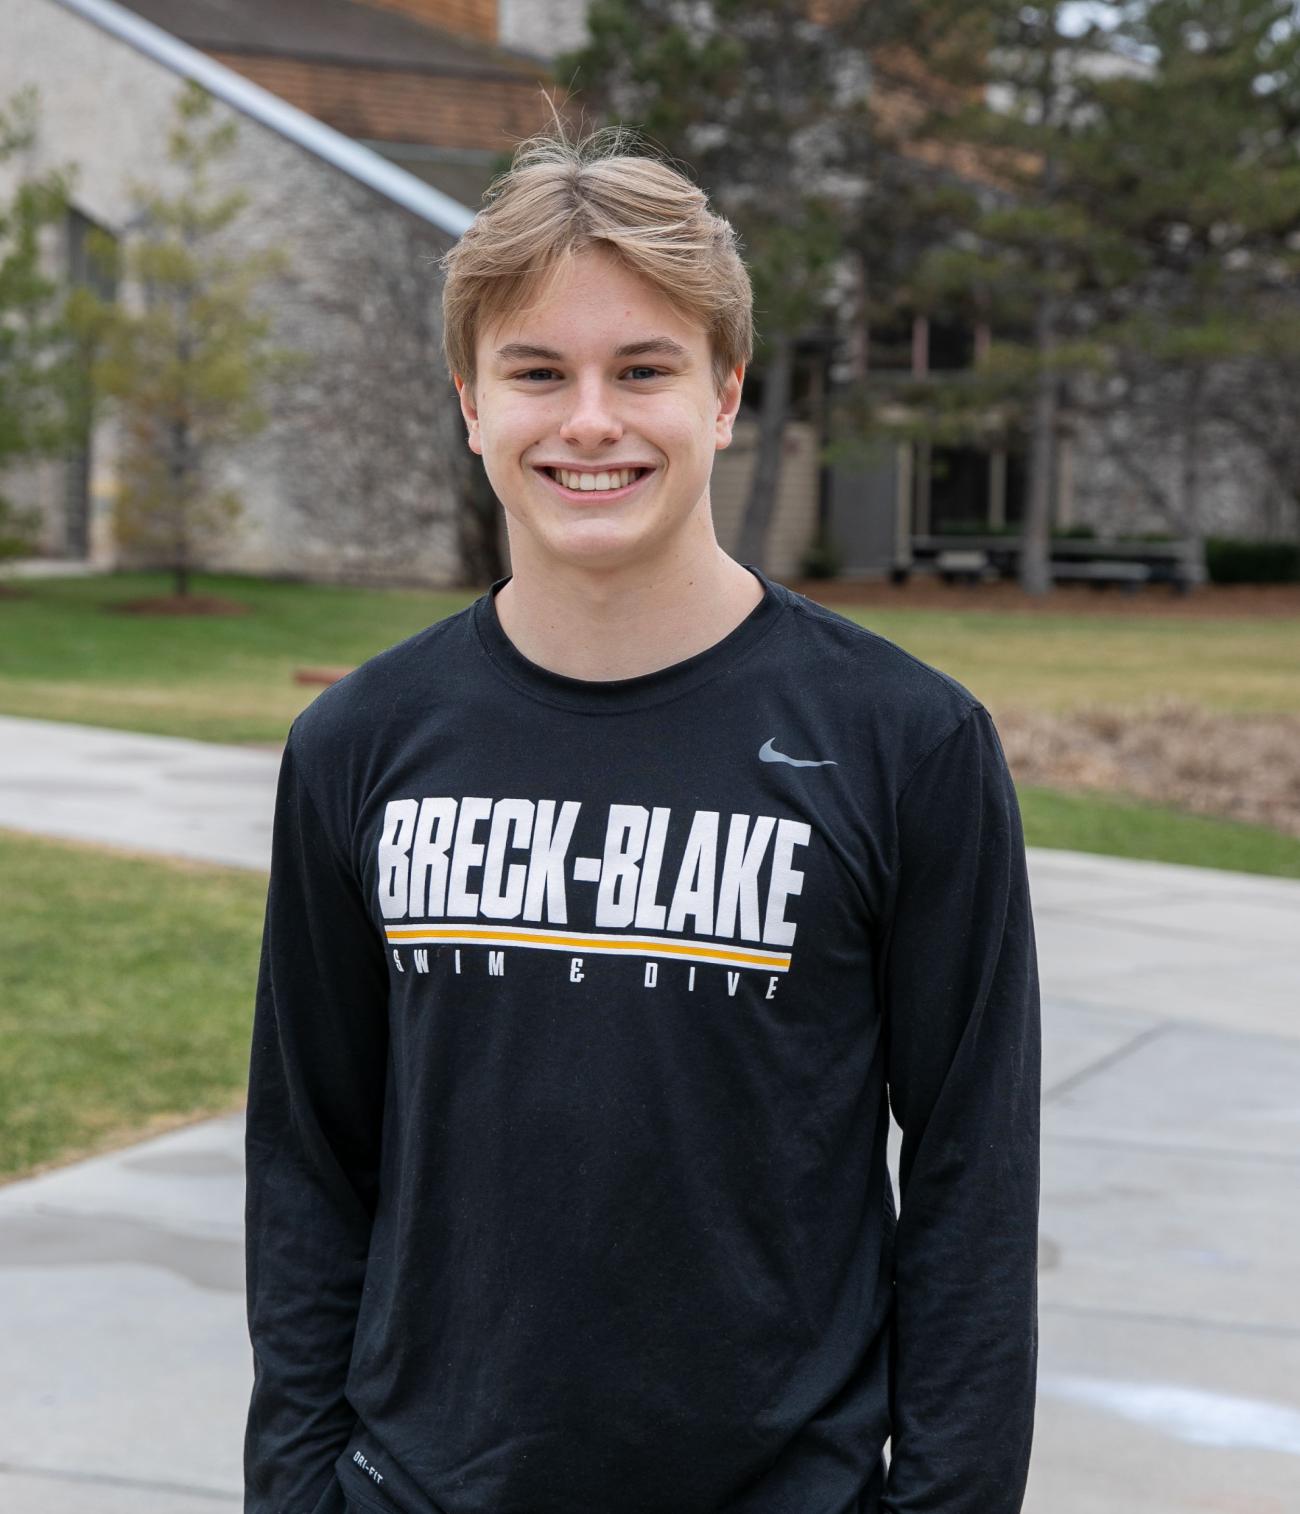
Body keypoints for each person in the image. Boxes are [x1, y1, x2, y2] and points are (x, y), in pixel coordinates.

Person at [243, 124, 1041, 1514]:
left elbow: (975, 1184)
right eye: (538, 372)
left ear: (726, 395)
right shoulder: (358, 746)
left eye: (645, 369)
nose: (590, 420)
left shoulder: (910, 745)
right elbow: (312, 1161)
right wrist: (298, 1488)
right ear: (470, 403)